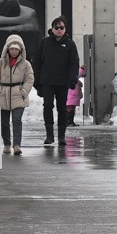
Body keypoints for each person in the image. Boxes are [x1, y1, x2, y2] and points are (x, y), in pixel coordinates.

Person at [33, 16, 80, 147]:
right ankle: (49, 135)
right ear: (52, 29)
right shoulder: (44, 42)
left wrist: (73, 79)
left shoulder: (70, 44)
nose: (59, 30)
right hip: (47, 81)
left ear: (65, 29)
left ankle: (61, 136)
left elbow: (74, 63)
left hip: (62, 82)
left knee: (62, 108)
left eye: (61, 28)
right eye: (56, 27)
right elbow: (36, 61)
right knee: (47, 105)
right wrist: (37, 82)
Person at [0, 34, 35, 155]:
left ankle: (17, 145)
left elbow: (29, 79)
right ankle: (7, 144)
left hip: (18, 95)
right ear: (7, 49)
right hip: (3, 94)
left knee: (16, 120)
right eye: (12, 49)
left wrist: (23, 92)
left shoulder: (26, 64)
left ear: (20, 50)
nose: (14, 51)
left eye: (16, 49)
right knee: (4, 122)